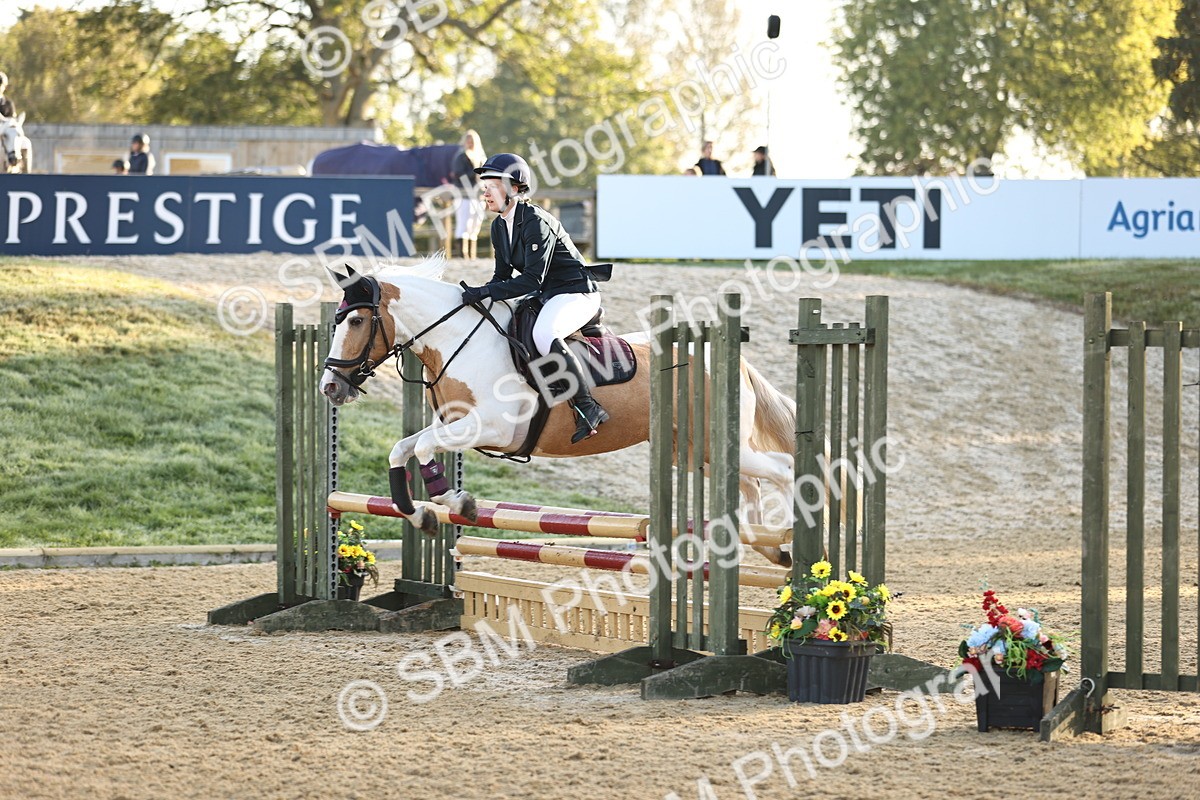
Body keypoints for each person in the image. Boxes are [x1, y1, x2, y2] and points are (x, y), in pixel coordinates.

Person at [460, 152, 610, 443]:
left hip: (576, 291)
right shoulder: (498, 226)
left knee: (543, 333)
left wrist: (488, 292)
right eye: (485, 186)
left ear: (514, 188)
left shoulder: (535, 221)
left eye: (493, 186)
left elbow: (531, 279)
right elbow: (502, 277)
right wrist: (479, 295)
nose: (485, 192)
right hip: (548, 294)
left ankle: (588, 407)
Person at [449, 130, 486, 260]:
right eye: (468, 141)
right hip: (464, 194)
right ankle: (462, 254)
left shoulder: (480, 157)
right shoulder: (461, 157)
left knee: (475, 225)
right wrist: (475, 174)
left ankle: (471, 254)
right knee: (463, 224)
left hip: (477, 195)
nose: (470, 144)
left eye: (472, 142)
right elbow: (459, 174)